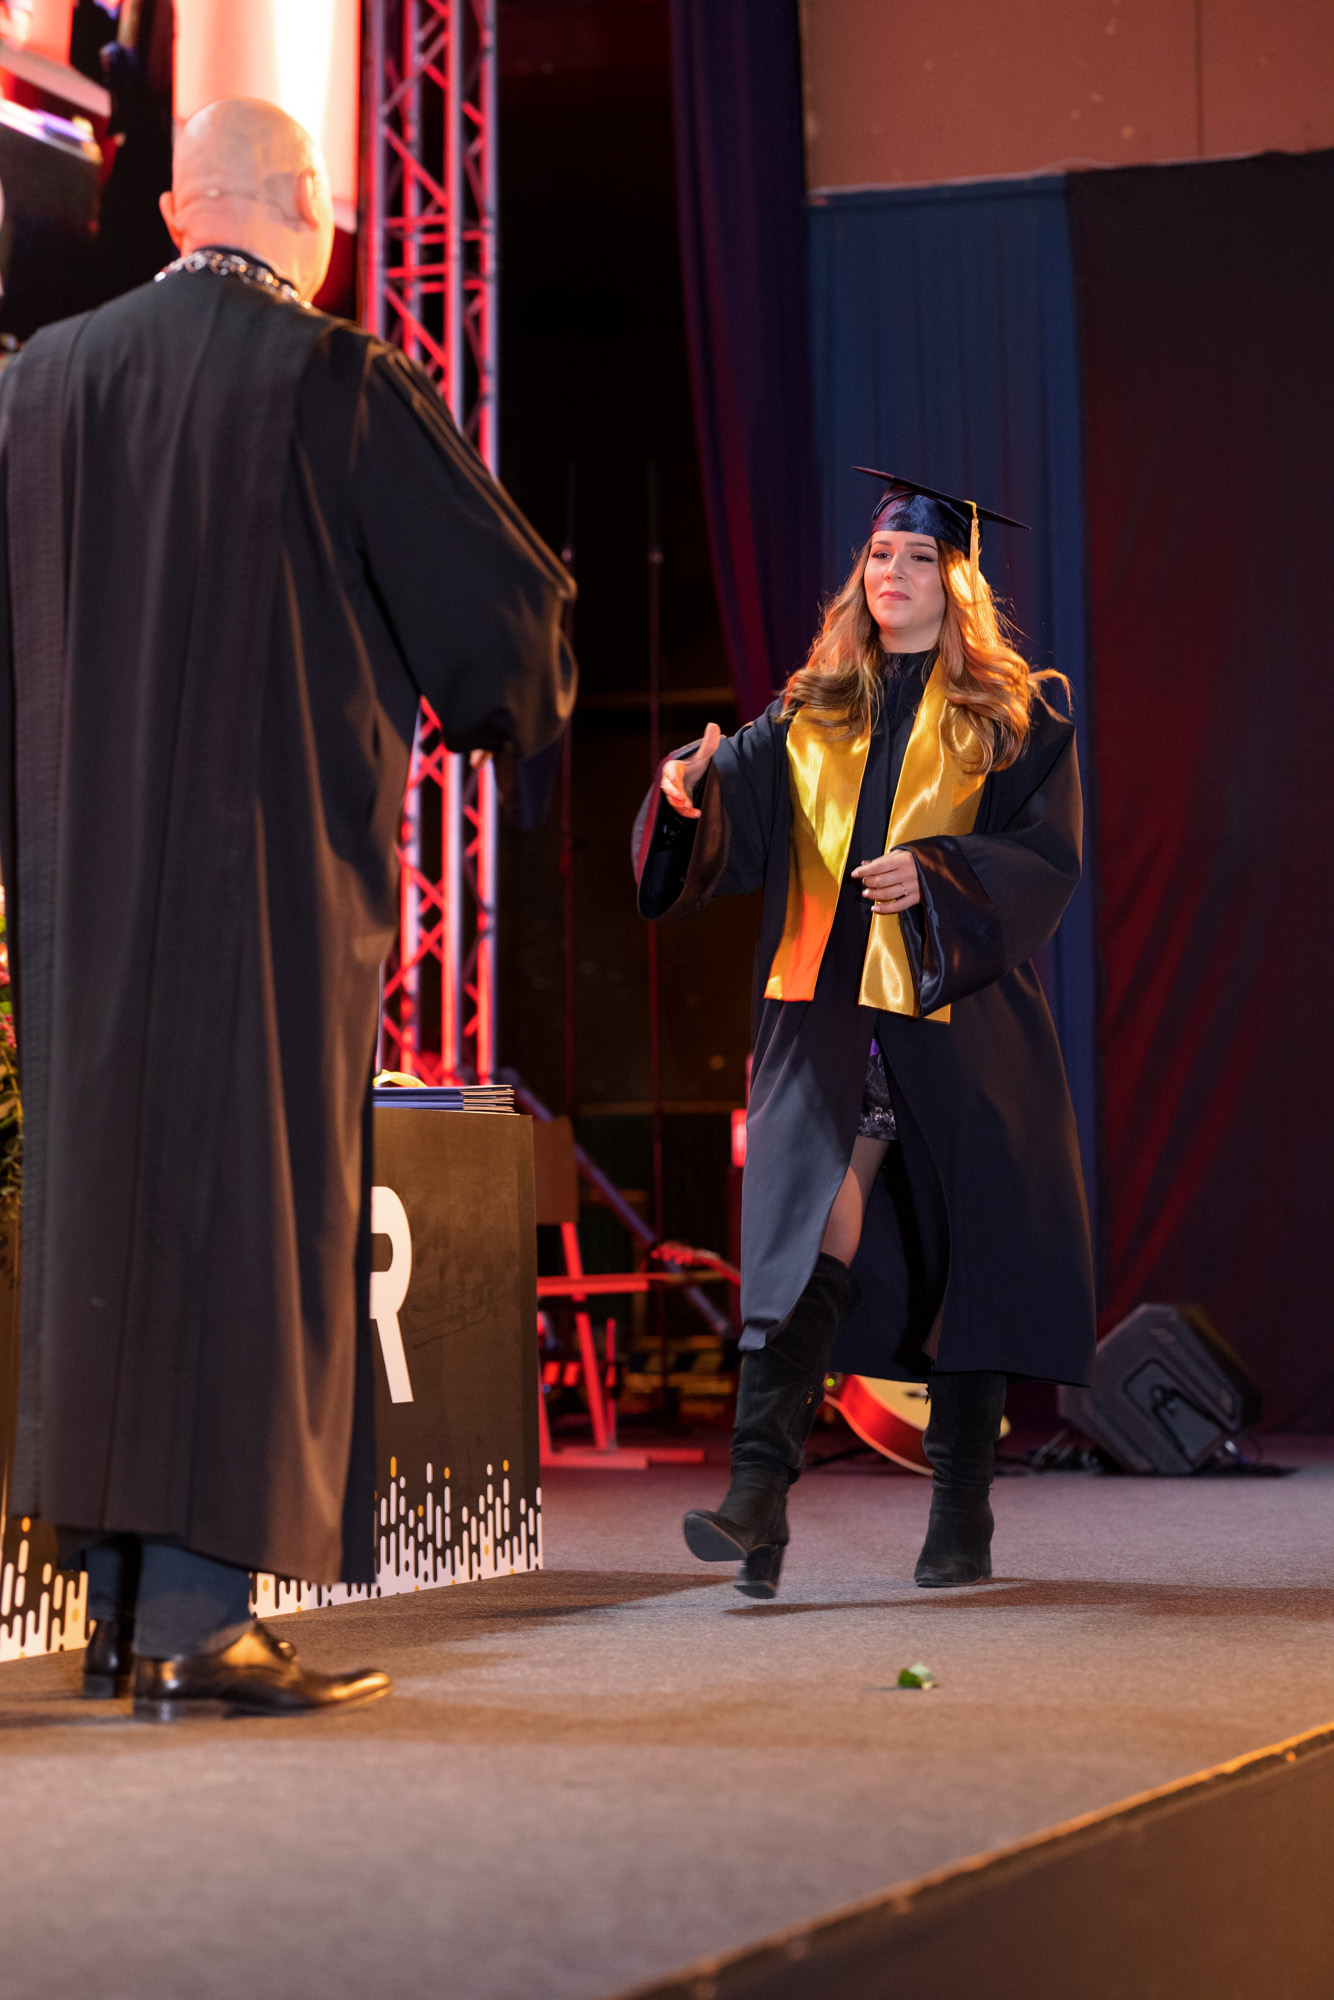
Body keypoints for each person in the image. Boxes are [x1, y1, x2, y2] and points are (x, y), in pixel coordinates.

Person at [0, 98, 575, 1718]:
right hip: (258, 889)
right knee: (243, 1209)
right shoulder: (330, 379)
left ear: (176, 211)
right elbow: (503, 629)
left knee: (103, 1218)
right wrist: (521, 695)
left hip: (73, 901)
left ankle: (115, 1611)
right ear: (306, 206)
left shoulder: (33, 388)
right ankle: (195, 1624)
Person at [635, 470, 1093, 1599]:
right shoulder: (809, 712)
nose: (892, 573)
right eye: (880, 556)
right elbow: (727, 820)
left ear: (957, 582)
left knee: (972, 1257)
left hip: (954, 1016)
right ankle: (755, 1498)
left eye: (918, 558)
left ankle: (960, 1508)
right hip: (825, 1014)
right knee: (804, 1233)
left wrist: (936, 875)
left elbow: (1046, 859)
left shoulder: (1016, 716)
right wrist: (685, 794)